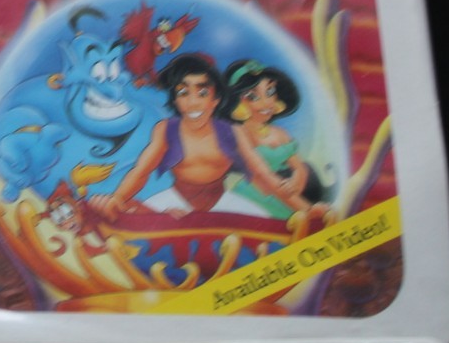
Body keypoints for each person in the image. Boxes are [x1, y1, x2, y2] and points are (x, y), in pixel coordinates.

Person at [98, 54, 307, 220]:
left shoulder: (232, 132)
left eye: (203, 93)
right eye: (183, 93)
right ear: (175, 100)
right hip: (174, 201)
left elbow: (264, 176)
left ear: (216, 99)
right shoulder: (166, 129)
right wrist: (118, 198)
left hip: (223, 202)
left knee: (264, 226)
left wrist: (307, 209)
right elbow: (141, 172)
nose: (193, 102)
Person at [220, 59, 331, 222]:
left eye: (270, 91)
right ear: (237, 103)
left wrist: (295, 183)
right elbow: (262, 175)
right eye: (252, 96)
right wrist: (306, 209)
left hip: (288, 192)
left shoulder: (280, 133)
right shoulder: (239, 133)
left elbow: (299, 167)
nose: (267, 102)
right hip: (257, 194)